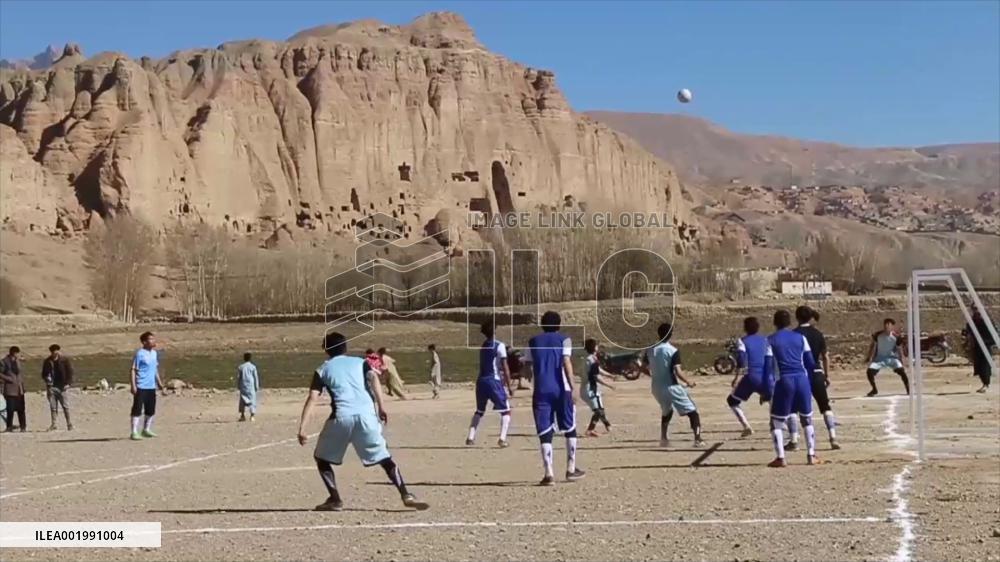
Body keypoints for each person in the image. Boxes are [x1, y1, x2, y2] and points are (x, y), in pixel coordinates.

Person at [296, 332, 428, 511]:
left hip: (341, 417)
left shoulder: (322, 369)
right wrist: (381, 407)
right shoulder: (361, 363)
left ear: (326, 350)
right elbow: (374, 378)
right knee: (385, 457)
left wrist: (303, 427)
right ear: (345, 347)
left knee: (321, 457)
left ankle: (335, 499)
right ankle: (405, 493)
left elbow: (313, 398)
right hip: (367, 416)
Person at [528, 310, 585, 485]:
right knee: (569, 427)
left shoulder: (533, 342)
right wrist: (573, 386)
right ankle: (571, 468)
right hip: (562, 388)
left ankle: (549, 473)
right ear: (559, 325)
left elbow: (527, 366)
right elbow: (566, 362)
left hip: (541, 389)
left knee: (545, 431)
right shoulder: (564, 339)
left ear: (542, 325)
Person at [767, 309, 822, 467]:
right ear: (790, 322)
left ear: (775, 323)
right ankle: (811, 455)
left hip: (784, 380)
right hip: (802, 379)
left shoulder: (770, 340)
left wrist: (767, 388)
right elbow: (810, 362)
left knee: (776, 421)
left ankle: (781, 458)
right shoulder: (800, 338)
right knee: (806, 418)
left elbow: (768, 366)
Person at [647, 322, 705, 448]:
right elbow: (678, 371)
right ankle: (698, 438)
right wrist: (688, 382)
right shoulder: (672, 351)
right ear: (670, 334)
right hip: (671, 387)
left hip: (656, 388)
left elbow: (642, 367)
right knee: (693, 412)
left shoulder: (651, 349)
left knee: (666, 411)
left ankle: (663, 439)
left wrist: (655, 375)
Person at [795, 306, 840, 449]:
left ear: (797, 318)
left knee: (795, 407)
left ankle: (794, 439)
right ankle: (832, 436)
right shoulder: (818, 334)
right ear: (810, 317)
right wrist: (827, 375)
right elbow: (825, 356)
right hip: (816, 372)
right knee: (825, 405)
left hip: (800, 374)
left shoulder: (794, 334)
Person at [466, 321, 513, 447]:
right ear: (495, 331)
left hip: (481, 381)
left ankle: (470, 437)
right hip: (493, 381)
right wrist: (509, 386)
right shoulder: (499, 345)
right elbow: (505, 367)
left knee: (479, 411)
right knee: (506, 411)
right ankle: (502, 439)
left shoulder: (483, 346)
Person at [727, 317, 774, 438]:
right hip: (765, 377)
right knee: (771, 398)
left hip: (751, 376)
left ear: (745, 328)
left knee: (732, 401)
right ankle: (773, 422)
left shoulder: (742, 341)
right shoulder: (766, 340)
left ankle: (746, 426)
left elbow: (742, 360)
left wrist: (737, 378)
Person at [130, 331, 164, 440]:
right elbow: (133, 370)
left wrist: (159, 382)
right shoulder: (140, 354)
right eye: (151, 339)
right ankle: (134, 432)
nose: (154, 341)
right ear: (144, 342)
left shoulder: (154, 353)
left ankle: (146, 429)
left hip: (151, 386)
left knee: (151, 409)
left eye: (154, 339)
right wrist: (133, 385)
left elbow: (155, 369)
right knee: (137, 409)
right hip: (141, 385)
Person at [865, 318, 910, 397]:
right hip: (880, 359)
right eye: (886, 325)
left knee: (902, 372)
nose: (887, 327)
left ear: (892, 326)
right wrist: (869, 357)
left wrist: (902, 360)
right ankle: (874, 389)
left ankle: (908, 389)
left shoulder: (896, 337)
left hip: (892, 358)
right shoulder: (878, 335)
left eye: (889, 325)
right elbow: (872, 346)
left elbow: (899, 349)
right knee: (869, 372)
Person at [582, 339, 616, 437]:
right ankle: (590, 430)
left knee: (600, 409)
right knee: (598, 411)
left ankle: (607, 425)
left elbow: (599, 370)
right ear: (594, 347)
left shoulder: (590, 358)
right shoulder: (592, 360)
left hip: (589, 388)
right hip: (590, 389)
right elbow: (596, 377)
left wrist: (610, 375)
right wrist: (609, 385)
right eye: (597, 345)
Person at [41, 344, 74, 431]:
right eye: (53, 351)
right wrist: (46, 379)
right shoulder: (47, 361)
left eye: (56, 351)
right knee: (53, 407)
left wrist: (68, 384)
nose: (55, 352)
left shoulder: (64, 360)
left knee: (65, 406)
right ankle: (54, 424)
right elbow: (43, 374)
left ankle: (69, 424)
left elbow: (70, 372)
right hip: (51, 387)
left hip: (62, 387)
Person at [963, 311, 998, 393]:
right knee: (978, 365)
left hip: (986, 345)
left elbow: (993, 332)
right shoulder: (972, 322)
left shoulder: (986, 321)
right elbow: (968, 332)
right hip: (976, 346)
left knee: (985, 365)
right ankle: (984, 383)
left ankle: (986, 384)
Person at [0, 346, 26, 432]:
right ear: (13, 353)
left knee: (21, 409)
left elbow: (20, 372)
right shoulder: (4, 362)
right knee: (10, 409)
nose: (18, 355)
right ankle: (9, 427)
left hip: (19, 388)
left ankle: (23, 427)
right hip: (10, 389)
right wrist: (8, 379)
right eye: (16, 353)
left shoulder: (18, 361)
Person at [237, 353, 260, 422]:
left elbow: (239, 378)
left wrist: (238, 386)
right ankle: (252, 416)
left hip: (243, 385)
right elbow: (255, 377)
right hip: (251, 386)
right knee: (252, 400)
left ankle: (242, 415)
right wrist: (256, 386)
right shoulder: (253, 367)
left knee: (242, 401)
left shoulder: (241, 367)